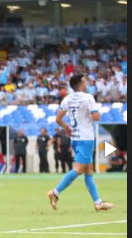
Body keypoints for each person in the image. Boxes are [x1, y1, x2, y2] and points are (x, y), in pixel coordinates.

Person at [48, 74, 113, 211]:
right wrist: (93, 114)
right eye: (84, 81)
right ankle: (55, 192)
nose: (86, 83)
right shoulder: (88, 97)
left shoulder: (67, 99)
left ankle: (98, 202)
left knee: (89, 170)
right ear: (81, 84)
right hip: (86, 138)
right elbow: (96, 117)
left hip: (75, 138)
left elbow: (58, 119)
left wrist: (67, 128)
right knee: (78, 170)